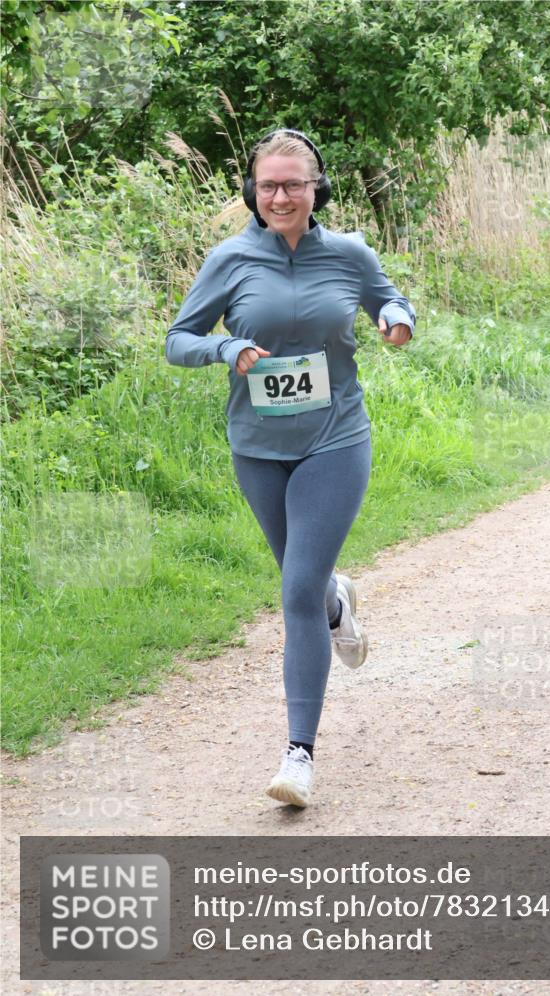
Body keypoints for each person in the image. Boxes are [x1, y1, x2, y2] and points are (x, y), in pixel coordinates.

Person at [165, 129, 415, 808]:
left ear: (315, 188)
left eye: (293, 184)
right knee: (304, 584)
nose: (280, 196)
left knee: (293, 592)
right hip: (257, 446)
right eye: (269, 185)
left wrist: (395, 318)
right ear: (252, 190)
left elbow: (390, 299)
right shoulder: (231, 259)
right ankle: (338, 602)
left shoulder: (348, 252)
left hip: (336, 439)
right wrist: (223, 350)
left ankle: (298, 754)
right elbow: (177, 340)